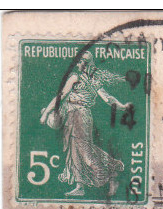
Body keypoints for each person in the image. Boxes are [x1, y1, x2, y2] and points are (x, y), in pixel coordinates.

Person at [39, 52, 128, 197]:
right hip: (73, 114)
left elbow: (106, 98)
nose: (78, 65)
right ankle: (80, 186)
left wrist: (121, 106)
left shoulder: (85, 79)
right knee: (74, 151)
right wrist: (122, 106)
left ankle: (110, 174)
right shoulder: (84, 79)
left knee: (85, 152)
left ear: (86, 64)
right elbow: (62, 96)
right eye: (78, 62)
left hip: (79, 115)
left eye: (81, 62)